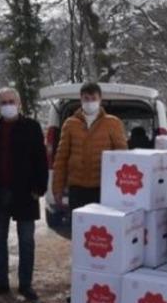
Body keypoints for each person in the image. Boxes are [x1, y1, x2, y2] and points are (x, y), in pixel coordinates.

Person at [0, 87, 47, 301]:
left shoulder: (32, 127)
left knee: (26, 240)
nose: (8, 105)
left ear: (19, 104)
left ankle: (25, 284)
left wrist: (39, 187)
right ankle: (2, 282)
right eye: (3, 102)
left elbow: (41, 159)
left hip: (26, 192)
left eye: (11, 101)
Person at [51, 82, 127, 211]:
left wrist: (122, 188)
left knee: (100, 223)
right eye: (86, 98)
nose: (90, 102)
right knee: (78, 222)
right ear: (81, 99)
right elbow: (61, 159)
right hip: (77, 188)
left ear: (100, 99)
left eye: (93, 98)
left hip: (103, 187)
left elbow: (123, 156)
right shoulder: (70, 124)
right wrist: (57, 188)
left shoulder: (113, 123)